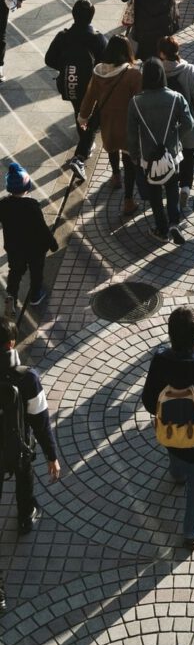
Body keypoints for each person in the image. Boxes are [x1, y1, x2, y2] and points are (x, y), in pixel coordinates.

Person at [142, 310, 194, 549]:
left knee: (176, 450)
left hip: (170, 431)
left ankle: (177, 474)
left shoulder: (161, 360)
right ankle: (190, 531)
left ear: (171, 335)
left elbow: (149, 400)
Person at [0, 317, 60, 534]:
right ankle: (26, 517)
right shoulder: (27, 378)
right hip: (20, 446)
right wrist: (51, 456)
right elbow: (41, 422)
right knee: (24, 477)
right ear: (11, 344)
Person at [127, 57, 194, 245]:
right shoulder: (175, 97)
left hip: (148, 158)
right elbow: (188, 123)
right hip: (172, 155)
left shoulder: (135, 102)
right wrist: (175, 138)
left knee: (155, 194)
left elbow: (132, 135)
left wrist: (134, 156)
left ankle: (161, 228)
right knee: (173, 188)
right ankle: (174, 222)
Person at [77, 36, 143, 215]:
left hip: (108, 122)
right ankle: (128, 200)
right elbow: (140, 101)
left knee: (112, 148)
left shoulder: (98, 72)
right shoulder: (133, 74)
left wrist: (83, 118)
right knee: (128, 163)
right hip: (128, 124)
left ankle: (115, 176)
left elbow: (90, 96)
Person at [44, 0, 108, 182]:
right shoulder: (97, 38)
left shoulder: (63, 36)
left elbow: (49, 59)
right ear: (91, 16)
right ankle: (82, 151)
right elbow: (105, 62)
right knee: (93, 116)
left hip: (70, 82)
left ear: (73, 15)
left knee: (78, 109)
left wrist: (64, 67)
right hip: (90, 84)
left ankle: (84, 141)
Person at [158, 36, 194, 209]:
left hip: (165, 126)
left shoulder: (156, 70)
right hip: (187, 123)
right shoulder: (189, 69)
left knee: (168, 156)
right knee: (188, 155)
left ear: (161, 53)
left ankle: (170, 187)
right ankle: (186, 188)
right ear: (177, 51)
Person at [0, 163, 58, 312]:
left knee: (15, 272)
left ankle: (11, 298)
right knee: (36, 271)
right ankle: (35, 295)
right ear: (27, 187)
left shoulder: (3, 205)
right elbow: (42, 228)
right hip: (35, 249)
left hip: (14, 248)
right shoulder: (32, 206)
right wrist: (52, 243)